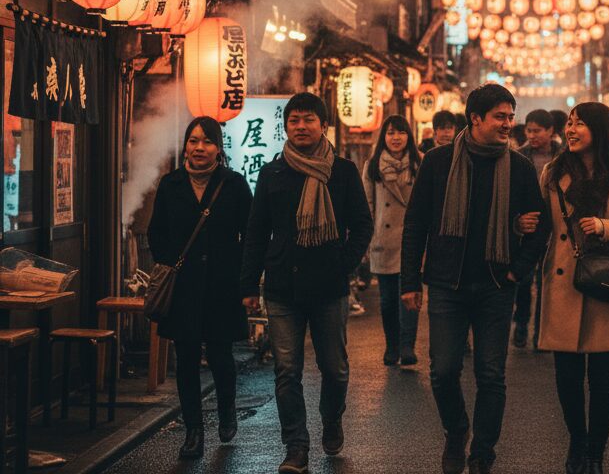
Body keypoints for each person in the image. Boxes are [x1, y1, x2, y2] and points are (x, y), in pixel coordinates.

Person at [401, 84, 550, 474]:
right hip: (446, 283)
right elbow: (416, 223)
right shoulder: (438, 162)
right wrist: (409, 281)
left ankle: (483, 450)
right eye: (500, 116)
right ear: (475, 118)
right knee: (443, 370)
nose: (507, 124)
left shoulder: (519, 167)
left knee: (491, 373)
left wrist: (518, 270)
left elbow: (541, 226)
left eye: (510, 117)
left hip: (496, 286)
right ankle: (456, 429)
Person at [240, 92, 374, 474]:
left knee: (335, 368)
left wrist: (343, 264)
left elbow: (361, 225)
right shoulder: (272, 173)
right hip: (283, 286)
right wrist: (248, 285)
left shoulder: (342, 171)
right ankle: (296, 446)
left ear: (324, 125)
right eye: (294, 120)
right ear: (286, 126)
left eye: (308, 119)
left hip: (329, 287)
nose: (300, 126)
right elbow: (256, 232)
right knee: (287, 370)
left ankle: (331, 418)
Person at [527, 102, 609, 474]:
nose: (571, 130)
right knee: (567, 376)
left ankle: (596, 454)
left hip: (605, 281)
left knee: (602, 379)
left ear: (599, 130)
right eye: (569, 123)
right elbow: (543, 226)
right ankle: (577, 442)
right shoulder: (553, 172)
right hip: (563, 282)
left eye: (580, 123)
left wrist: (606, 227)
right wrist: (524, 226)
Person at [147, 117, 252, 460]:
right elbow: (156, 232)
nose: (199, 148)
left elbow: (250, 234)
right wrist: (169, 262)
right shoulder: (171, 184)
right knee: (187, 358)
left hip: (223, 285)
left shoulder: (234, 184)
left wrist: (243, 276)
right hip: (183, 287)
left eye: (207, 141)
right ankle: (193, 430)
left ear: (219, 148)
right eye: (193, 141)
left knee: (221, 356)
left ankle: (226, 410)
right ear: (185, 146)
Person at [362, 115, 422, 366]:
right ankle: (392, 345)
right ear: (383, 137)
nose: (396, 138)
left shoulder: (420, 163)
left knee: (409, 294)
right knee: (387, 301)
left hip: (411, 242)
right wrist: (367, 239)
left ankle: (407, 346)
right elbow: (368, 204)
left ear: (409, 136)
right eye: (390, 133)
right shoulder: (373, 165)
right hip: (383, 241)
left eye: (401, 132)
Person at [513, 109, 563, 349]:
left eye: (537, 131)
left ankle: (541, 334)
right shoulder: (519, 156)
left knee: (547, 282)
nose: (532, 135)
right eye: (529, 130)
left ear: (550, 131)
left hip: (555, 226)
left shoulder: (563, 156)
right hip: (529, 224)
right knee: (523, 280)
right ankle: (521, 324)